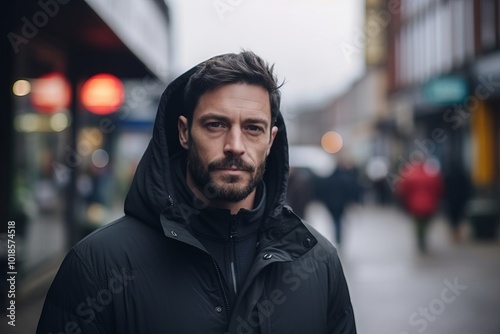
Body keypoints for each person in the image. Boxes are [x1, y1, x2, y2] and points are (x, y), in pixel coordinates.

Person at [37, 51, 356, 334]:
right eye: (216, 125)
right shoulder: (98, 265)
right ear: (184, 132)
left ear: (270, 140)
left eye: (252, 128)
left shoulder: (318, 261)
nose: (235, 145)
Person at [395, 156, 443, 253]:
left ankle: (420, 241)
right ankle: (423, 240)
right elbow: (438, 188)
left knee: (418, 223)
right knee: (425, 223)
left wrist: (405, 201)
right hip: (429, 204)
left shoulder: (409, 174)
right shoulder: (431, 173)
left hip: (414, 204)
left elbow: (403, 189)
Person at [316, 157, 360, 246]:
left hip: (331, 205)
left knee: (335, 221)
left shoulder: (329, 179)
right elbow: (349, 192)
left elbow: (323, 192)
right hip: (341, 204)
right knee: (338, 221)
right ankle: (338, 239)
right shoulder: (345, 179)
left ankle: (337, 239)